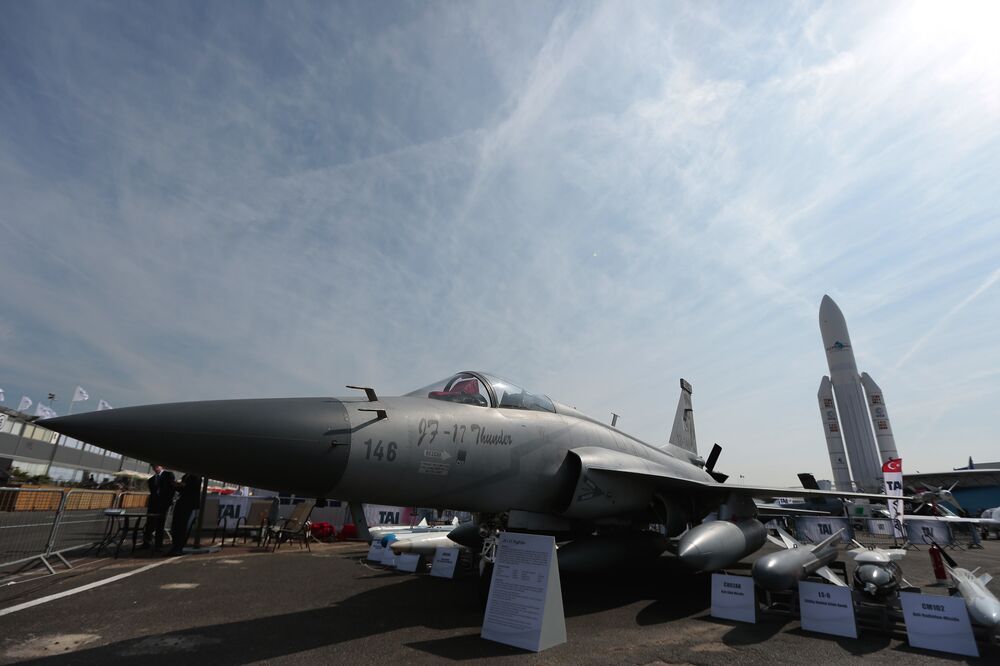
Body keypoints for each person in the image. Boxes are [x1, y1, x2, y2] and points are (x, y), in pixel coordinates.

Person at [140, 465, 175, 552]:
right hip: (153, 504)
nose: (155, 469)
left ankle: (158, 544)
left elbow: (171, 489)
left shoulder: (169, 475)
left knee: (160, 523)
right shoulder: (151, 480)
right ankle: (146, 543)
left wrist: (168, 501)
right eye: (154, 467)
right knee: (149, 523)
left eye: (157, 467)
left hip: (163, 504)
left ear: (161, 466)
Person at [167, 472, 202, 556]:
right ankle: (175, 546)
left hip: (188, 503)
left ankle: (179, 547)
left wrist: (183, 485)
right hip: (181, 501)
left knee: (182, 525)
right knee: (175, 525)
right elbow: (183, 489)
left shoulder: (196, 476)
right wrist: (175, 486)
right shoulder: (186, 476)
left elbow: (193, 488)